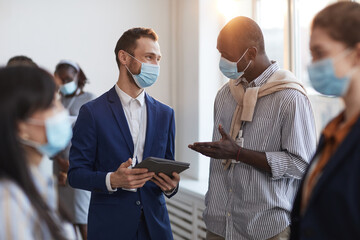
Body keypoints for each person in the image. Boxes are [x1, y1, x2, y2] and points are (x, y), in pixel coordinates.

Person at [188, 16, 317, 240]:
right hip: (219, 226)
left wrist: (238, 153)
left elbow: (301, 164)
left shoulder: (290, 97)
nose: (222, 61)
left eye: (227, 56)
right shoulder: (225, 95)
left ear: (250, 54)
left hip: (266, 230)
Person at [68, 27, 180, 240]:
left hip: (155, 227)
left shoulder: (166, 114)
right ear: (124, 58)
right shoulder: (92, 112)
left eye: (158, 59)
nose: (155, 66)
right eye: (148, 57)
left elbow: (168, 167)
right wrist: (113, 180)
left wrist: (171, 186)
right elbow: (75, 175)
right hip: (110, 228)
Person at [290, 2, 360, 239]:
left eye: (320, 53)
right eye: (311, 55)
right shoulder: (333, 130)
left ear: (356, 54)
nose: (313, 65)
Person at [0, 66, 74, 239]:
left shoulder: (39, 182)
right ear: (20, 126)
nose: (63, 112)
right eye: (51, 105)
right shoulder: (8, 202)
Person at [53, 60, 95, 240]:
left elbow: (94, 135)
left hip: (79, 165)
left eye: (68, 79)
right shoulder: (57, 100)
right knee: (65, 218)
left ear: (78, 77)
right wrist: (58, 159)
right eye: (60, 80)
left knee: (82, 217)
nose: (64, 83)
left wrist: (74, 161)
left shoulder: (90, 99)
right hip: (59, 165)